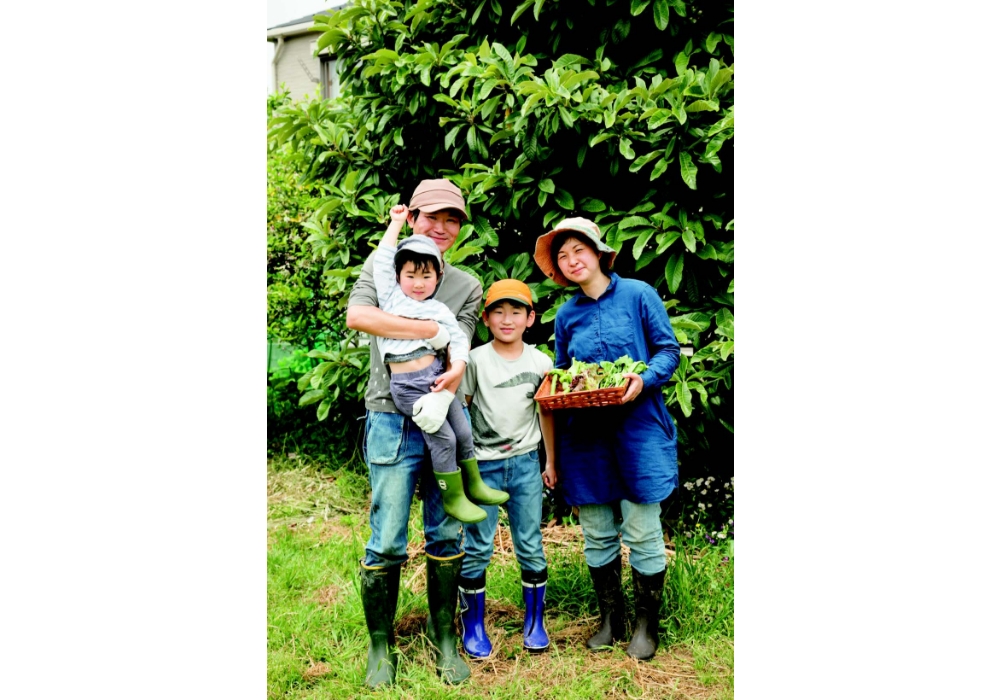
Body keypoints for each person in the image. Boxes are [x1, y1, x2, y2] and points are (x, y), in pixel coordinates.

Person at [346, 179, 483, 688]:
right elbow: (359, 316)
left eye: (452, 220)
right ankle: (380, 645)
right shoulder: (384, 265)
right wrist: (429, 330)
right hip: (390, 417)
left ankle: (443, 635)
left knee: (446, 529)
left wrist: (447, 359)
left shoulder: (465, 283)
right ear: (413, 217)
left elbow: (463, 340)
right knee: (385, 539)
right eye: (432, 217)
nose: (441, 228)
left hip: (444, 409)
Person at [532, 216, 681, 661]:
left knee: (642, 529)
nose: (571, 260)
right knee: (596, 531)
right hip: (585, 439)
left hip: (638, 430)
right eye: (562, 255)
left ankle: (645, 625)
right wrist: (552, 451)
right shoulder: (566, 314)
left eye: (578, 250)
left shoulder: (638, 294)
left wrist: (644, 378)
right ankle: (610, 620)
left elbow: (667, 352)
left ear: (598, 252)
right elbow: (562, 376)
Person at [372, 202, 509, 524]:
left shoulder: (438, 310)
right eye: (410, 276)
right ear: (398, 276)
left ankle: (473, 483)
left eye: (426, 276)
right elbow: (380, 261)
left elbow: (458, 340)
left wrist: (458, 366)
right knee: (442, 436)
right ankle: (453, 496)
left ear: (437, 277)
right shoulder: (391, 298)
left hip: (437, 378)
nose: (418, 283)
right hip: (409, 386)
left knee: (462, 429)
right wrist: (395, 223)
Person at [455, 279, 557, 658]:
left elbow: (545, 413)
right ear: (486, 318)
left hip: (527, 464)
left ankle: (534, 623)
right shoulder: (476, 360)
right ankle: (473, 625)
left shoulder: (541, 362)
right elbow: (462, 411)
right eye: (498, 311)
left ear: (530, 318)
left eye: (516, 311)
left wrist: (552, 462)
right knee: (478, 546)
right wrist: (463, 466)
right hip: (483, 466)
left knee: (530, 544)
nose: (507, 318)